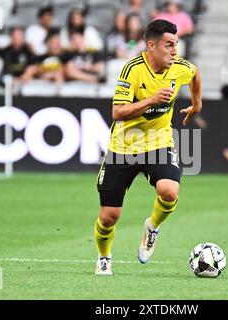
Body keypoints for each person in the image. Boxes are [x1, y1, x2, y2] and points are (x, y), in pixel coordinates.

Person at [93, 19, 202, 275]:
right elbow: (117, 112)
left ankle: (152, 228)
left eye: (176, 44)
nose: (174, 51)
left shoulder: (179, 68)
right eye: (168, 45)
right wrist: (151, 100)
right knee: (109, 217)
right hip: (123, 148)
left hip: (159, 142)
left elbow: (195, 74)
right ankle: (104, 256)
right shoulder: (132, 70)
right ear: (151, 45)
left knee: (169, 191)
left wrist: (197, 104)